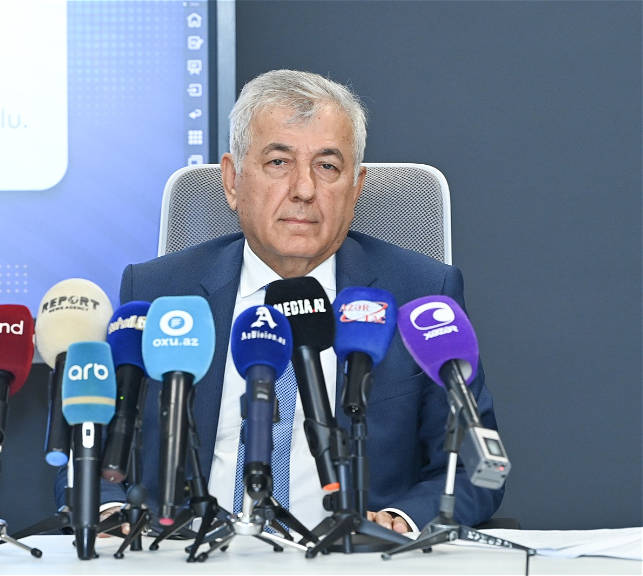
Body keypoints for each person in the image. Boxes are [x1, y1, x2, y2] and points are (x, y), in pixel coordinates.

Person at [57, 69, 503, 534]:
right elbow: (87, 445)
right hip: (188, 552)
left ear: (356, 188)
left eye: (327, 166)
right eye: (278, 162)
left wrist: (403, 521)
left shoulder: (420, 294)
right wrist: (108, 512)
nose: (304, 189)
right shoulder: (158, 292)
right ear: (232, 181)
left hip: (351, 557)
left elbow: (476, 466)